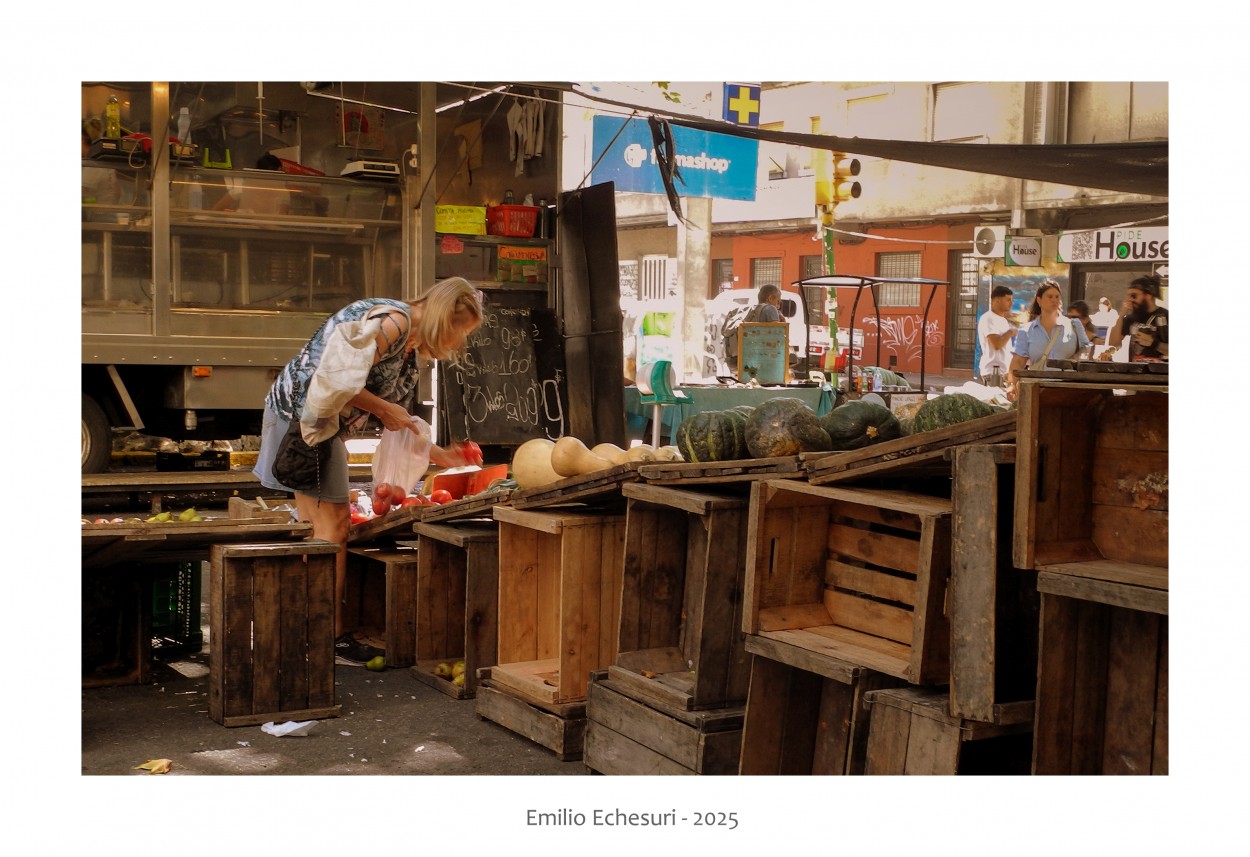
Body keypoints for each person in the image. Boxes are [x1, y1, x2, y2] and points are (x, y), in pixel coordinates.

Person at [254, 277, 485, 665]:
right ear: (443, 318)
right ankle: (330, 637)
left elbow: (396, 420)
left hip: (307, 423)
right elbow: (335, 380)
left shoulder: (410, 347)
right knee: (333, 530)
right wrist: (383, 409)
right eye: (456, 333)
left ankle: (308, 632)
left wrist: (442, 455)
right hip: (303, 422)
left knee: (317, 530)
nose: (454, 345)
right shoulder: (392, 323)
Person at [1005, 279, 1091, 400]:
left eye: (1057, 297)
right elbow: (1018, 362)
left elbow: (1087, 354)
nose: (1054, 300)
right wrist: (1011, 385)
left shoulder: (1074, 325)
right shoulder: (1027, 330)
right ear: (1039, 300)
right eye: (1050, 296)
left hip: (1068, 391)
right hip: (1037, 391)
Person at [1101, 274, 1168, 361]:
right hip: (1136, 370)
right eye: (1129, 296)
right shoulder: (1132, 317)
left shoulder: (1166, 316)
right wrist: (1121, 315)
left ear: (1148, 295)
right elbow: (1113, 343)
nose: (1130, 300)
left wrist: (1153, 343)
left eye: (1134, 296)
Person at [977, 285, 1018, 385]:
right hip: (993, 373)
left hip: (1004, 372)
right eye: (1008, 300)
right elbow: (996, 344)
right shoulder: (988, 318)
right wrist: (1010, 332)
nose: (1011, 303)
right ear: (997, 301)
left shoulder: (1002, 320)